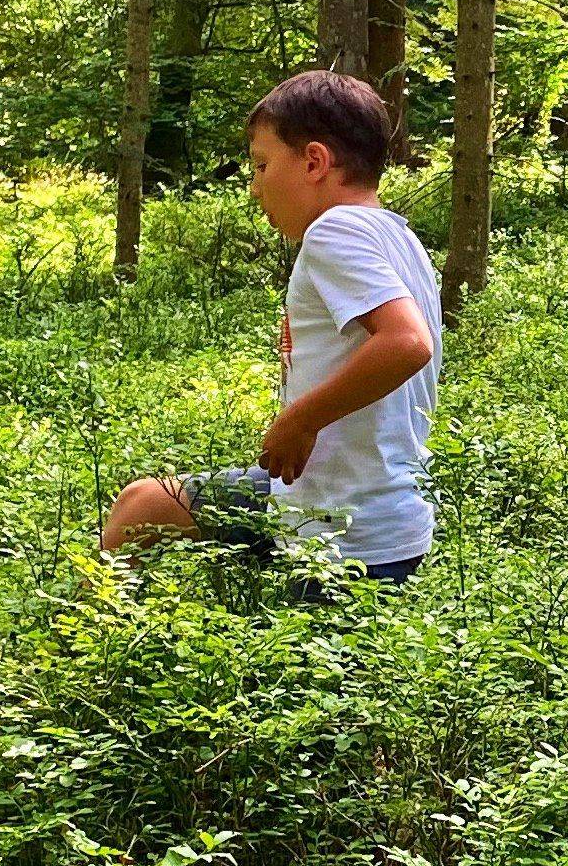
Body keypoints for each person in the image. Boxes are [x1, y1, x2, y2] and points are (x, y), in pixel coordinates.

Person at [100, 70, 443, 582]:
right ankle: (84, 635)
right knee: (145, 503)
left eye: (262, 165)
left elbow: (407, 343)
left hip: (342, 538)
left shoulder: (335, 231)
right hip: (358, 513)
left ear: (313, 162)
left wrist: (299, 420)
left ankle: (68, 653)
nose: (255, 187)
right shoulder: (398, 236)